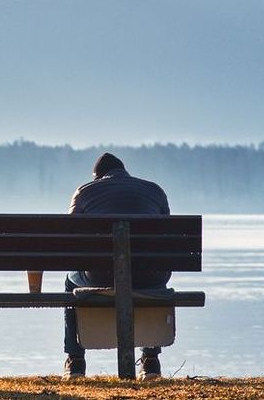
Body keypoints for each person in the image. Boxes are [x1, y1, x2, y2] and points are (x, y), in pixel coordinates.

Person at [63, 152, 170, 380]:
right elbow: (166, 239)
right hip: (150, 276)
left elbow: (68, 238)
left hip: (100, 275)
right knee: (151, 276)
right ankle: (150, 362)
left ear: (97, 176)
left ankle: (75, 363)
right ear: (125, 172)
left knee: (70, 281)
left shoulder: (85, 191)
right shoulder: (155, 191)